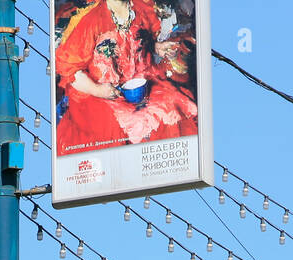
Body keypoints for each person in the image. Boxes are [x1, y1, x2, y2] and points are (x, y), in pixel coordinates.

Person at [53, 0, 199, 157]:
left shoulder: (141, 9)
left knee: (173, 105)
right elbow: (69, 71)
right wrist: (98, 90)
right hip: (101, 96)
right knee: (121, 127)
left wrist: (158, 48)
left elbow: (144, 42)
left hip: (144, 81)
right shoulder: (90, 21)